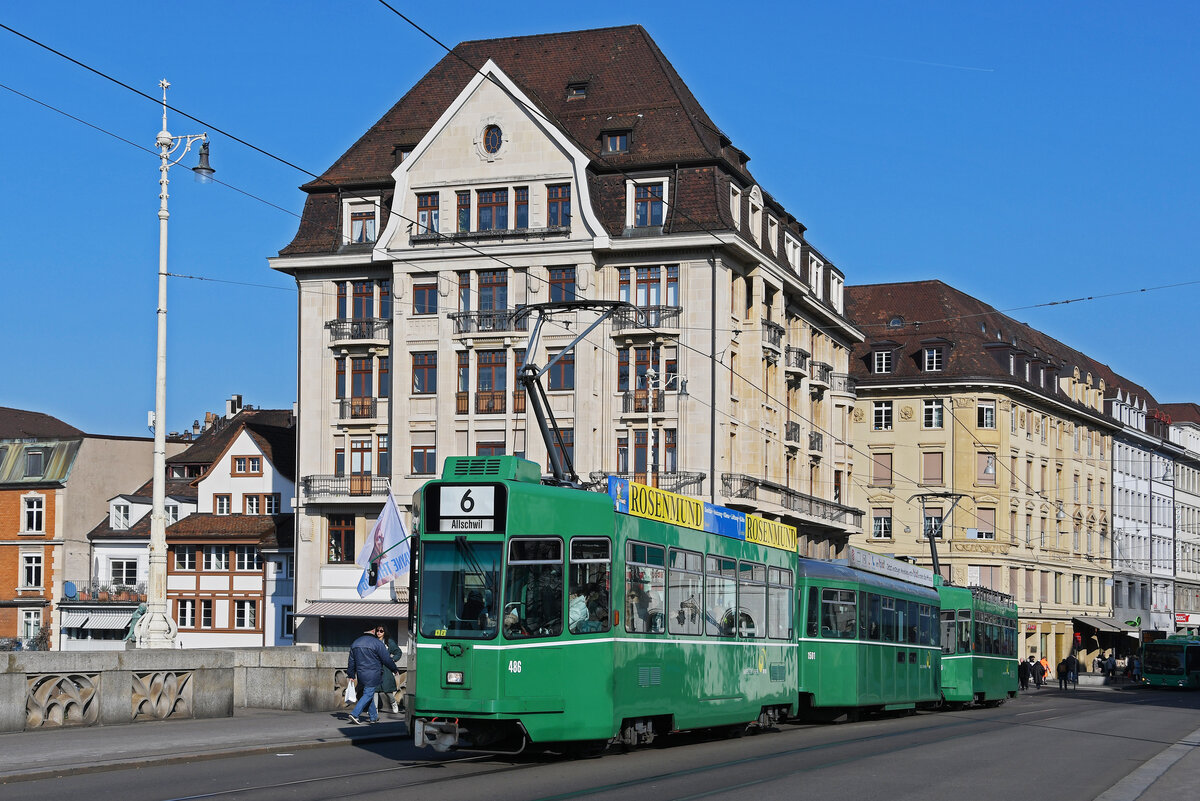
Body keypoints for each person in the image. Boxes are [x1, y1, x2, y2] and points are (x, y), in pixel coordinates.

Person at [347, 624, 399, 724]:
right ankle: (355, 714)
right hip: (373, 674)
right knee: (368, 694)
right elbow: (386, 659)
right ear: (373, 631)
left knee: (369, 695)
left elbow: (351, 661)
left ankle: (373, 717)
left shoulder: (355, 643)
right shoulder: (377, 643)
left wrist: (351, 675)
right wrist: (394, 669)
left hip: (361, 674)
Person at [374, 628, 404, 714]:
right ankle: (374, 709)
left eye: (381, 631)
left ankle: (393, 703)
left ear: (384, 632)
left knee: (387, 689)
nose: (379, 632)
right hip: (375, 667)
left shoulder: (389, 641)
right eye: (377, 631)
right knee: (374, 690)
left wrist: (392, 660)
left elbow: (398, 652)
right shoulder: (373, 641)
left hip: (386, 668)